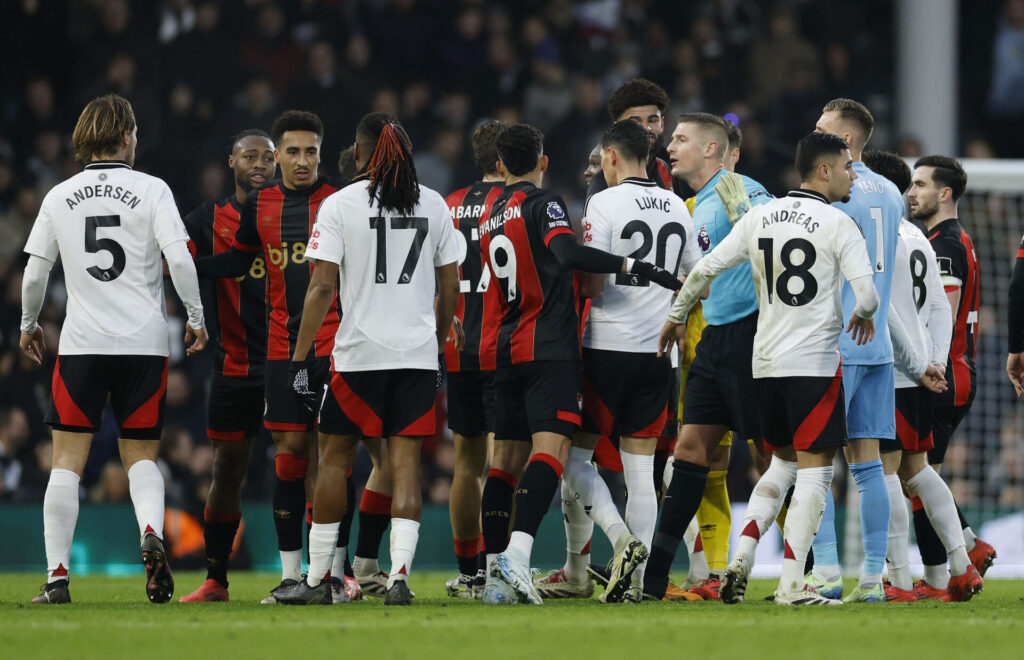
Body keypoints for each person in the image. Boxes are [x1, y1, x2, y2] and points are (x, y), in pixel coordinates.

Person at [664, 131, 879, 605]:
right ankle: (791, 585)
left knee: (779, 464)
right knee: (815, 474)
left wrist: (675, 318)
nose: (851, 175)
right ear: (823, 170)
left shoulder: (760, 215)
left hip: (764, 362)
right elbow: (867, 296)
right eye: (846, 167)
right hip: (815, 365)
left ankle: (740, 556)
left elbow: (702, 271)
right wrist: (862, 314)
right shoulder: (839, 223)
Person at [479, 123, 681, 605]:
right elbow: (570, 256)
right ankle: (527, 560)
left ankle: (494, 576)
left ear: (500, 165)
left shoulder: (490, 211)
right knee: (564, 455)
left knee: (504, 465)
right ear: (543, 162)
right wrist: (636, 267)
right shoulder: (545, 204)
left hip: (506, 346)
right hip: (556, 347)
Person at [20, 94, 207, 604]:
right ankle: (151, 532)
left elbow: (36, 271)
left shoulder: (60, 195)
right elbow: (181, 262)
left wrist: (28, 324)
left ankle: (57, 577)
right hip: (143, 345)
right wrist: (195, 318)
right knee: (142, 456)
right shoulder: (153, 190)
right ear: (127, 136)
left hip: (82, 345)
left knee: (66, 462)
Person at [275, 112, 460, 606]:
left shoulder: (339, 205)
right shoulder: (435, 204)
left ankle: (316, 580)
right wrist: (437, 344)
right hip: (416, 357)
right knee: (405, 468)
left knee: (333, 462)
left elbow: (319, 287)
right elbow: (449, 289)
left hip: (357, 357)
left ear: (357, 154)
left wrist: (298, 357)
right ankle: (397, 577)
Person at [193, 110, 344, 604]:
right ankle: (246, 576)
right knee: (262, 464)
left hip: (327, 350)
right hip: (262, 358)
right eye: (291, 151)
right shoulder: (255, 208)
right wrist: (181, 266)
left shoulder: (341, 202)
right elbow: (236, 259)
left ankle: (336, 573)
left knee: (330, 462)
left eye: (311, 151)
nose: (301, 160)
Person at [565, 119, 701, 603]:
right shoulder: (676, 206)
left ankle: (620, 540)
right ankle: (639, 586)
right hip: (656, 354)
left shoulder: (602, 202)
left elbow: (593, 281)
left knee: (574, 458)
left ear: (610, 157)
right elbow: (691, 280)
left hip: (606, 348)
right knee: (641, 472)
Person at [640, 113, 771, 601]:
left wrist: (746, 219)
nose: (670, 146)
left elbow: (781, 247)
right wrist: (682, 313)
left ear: (712, 149)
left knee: (769, 456)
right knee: (690, 451)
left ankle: (808, 571)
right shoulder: (694, 205)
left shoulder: (743, 191)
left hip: (754, 337)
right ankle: (654, 584)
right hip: (714, 339)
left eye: (681, 139)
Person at [859, 150, 982, 602]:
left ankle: (902, 580)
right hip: (921, 374)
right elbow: (935, 308)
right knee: (919, 471)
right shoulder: (918, 237)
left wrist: (916, 364)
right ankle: (962, 565)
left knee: (885, 471)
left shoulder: (877, 235)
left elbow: (880, 305)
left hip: (888, 369)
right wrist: (932, 363)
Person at [807, 98, 900, 602]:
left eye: (822, 129)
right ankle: (871, 579)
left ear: (844, 140)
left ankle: (824, 571)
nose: (814, 133)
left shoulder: (833, 190)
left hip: (838, 343)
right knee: (869, 466)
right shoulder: (890, 192)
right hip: (879, 345)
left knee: (816, 460)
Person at [179, 130, 275, 603]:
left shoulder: (296, 214)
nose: (259, 164)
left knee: (308, 464)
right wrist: (194, 319)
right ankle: (216, 577)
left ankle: (321, 572)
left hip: (290, 362)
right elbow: (176, 263)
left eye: (266, 157)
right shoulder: (205, 220)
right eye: (249, 156)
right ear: (231, 162)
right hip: (235, 364)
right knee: (227, 469)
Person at [908, 155, 995, 596]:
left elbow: (939, 313)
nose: (912, 192)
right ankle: (968, 545)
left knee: (918, 478)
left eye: (921, 184)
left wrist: (926, 364)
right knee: (920, 476)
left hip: (946, 374)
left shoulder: (943, 245)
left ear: (945, 193)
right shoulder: (953, 239)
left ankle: (941, 576)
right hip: (958, 372)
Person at [444, 120, 506, 599]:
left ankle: (470, 573)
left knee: (467, 465)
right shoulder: (518, 203)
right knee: (506, 461)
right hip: (507, 347)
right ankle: (503, 569)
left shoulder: (447, 206)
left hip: (458, 347)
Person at [587, 78, 677, 197]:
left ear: (662, 123)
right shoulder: (602, 182)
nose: (646, 128)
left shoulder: (673, 170)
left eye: (652, 120)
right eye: (636, 121)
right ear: (618, 128)